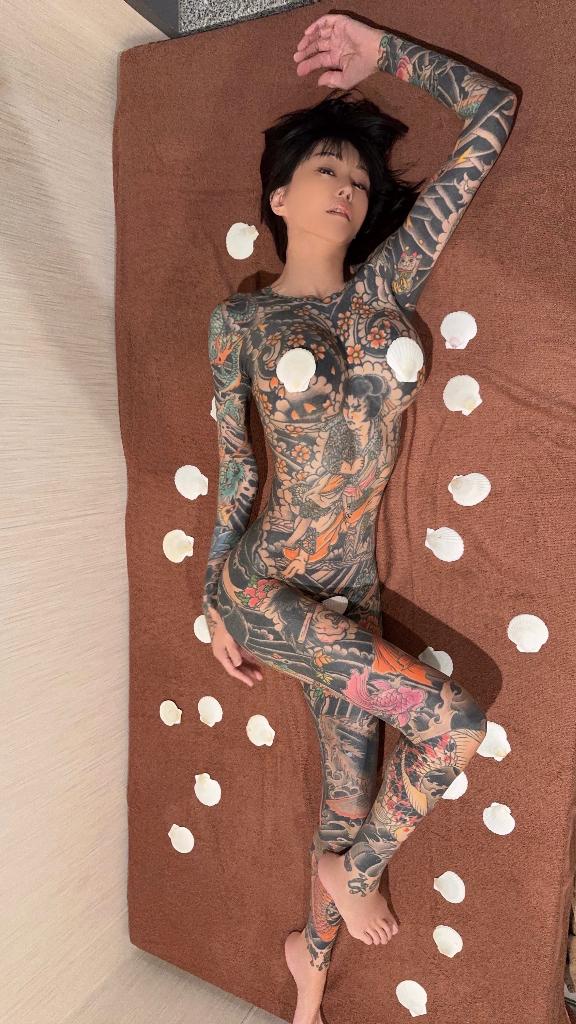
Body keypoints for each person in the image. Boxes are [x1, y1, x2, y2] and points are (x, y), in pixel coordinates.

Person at [202, 14, 517, 1024]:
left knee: (349, 797)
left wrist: (387, 55)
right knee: (454, 724)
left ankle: (309, 963)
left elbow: (492, 115)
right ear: (279, 197)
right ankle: (355, 872)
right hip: (263, 589)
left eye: (360, 178)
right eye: (326, 168)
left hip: (348, 591)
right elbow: (237, 467)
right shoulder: (242, 322)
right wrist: (213, 600)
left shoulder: (389, 285)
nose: (348, 186)